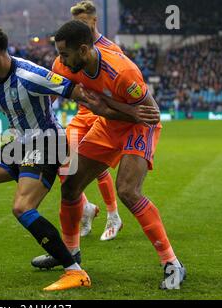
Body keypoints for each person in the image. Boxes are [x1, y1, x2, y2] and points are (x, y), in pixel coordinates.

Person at [0, 25, 158, 291]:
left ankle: (75, 271)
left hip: (46, 144)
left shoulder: (31, 75)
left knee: (22, 207)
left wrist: (123, 114)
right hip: (20, 143)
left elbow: (76, 91)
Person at [33, 20, 186, 290]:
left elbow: (149, 114)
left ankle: (172, 263)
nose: (60, 61)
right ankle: (71, 257)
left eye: (65, 54)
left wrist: (106, 109)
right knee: (70, 187)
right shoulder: (65, 65)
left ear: (83, 50)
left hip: (139, 128)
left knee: (128, 190)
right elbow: (51, 96)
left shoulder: (123, 72)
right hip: (107, 126)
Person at [70, 0, 124, 240]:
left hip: (102, 113)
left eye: (81, 23)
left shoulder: (111, 49)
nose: (78, 29)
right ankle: (86, 209)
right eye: (75, 24)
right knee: (64, 160)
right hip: (82, 112)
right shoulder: (72, 48)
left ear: (94, 21)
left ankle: (113, 215)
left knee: (96, 165)